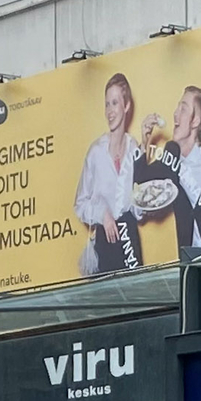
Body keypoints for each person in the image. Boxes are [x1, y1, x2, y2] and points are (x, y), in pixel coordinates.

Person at [75, 72, 145, 275]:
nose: (110, 111)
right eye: (107, 104)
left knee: (136, 299)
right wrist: (103, 215)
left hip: (129, 241)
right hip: (104, 243)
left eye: (115, 103)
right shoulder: (96, 152)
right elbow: (80, 204)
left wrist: (146, 146)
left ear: (126, 105)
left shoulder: (134, 149)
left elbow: (139, 211)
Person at [138, 85, 201, 253]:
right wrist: (144, 141)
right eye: (177, 107)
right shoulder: (170, 158)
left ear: (196, 121)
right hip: (192, 262)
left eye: (183, 108)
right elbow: (141, 178)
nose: (175, 114)